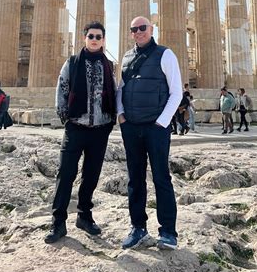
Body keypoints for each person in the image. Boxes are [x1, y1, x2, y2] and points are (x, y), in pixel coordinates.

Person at [45, 21, 116, 244]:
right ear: (84, 38)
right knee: (65, 174)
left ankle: (84, 216)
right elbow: (62, 87)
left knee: (91, 175)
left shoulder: (109, 65)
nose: (94, 39)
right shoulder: (73, 62)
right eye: (91, 36)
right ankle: (58, 222)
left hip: (100, 129)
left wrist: (111, 120)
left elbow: (113, 92)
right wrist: (65, 117)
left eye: (98, 36)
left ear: (103, 40)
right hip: (76, 126)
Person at [117, 16, 182, 251]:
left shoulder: (166, 55)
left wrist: (162, 123)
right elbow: (120, 89)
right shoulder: (126, 57)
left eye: (142, 28)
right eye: (133, 29)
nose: (138, 32)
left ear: (151, 29)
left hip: (156, 128)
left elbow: (176, 92)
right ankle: (138, 228)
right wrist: (121, 116)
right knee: (135, 180)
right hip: (131, 127)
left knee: (161, 178)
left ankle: (168, 232)